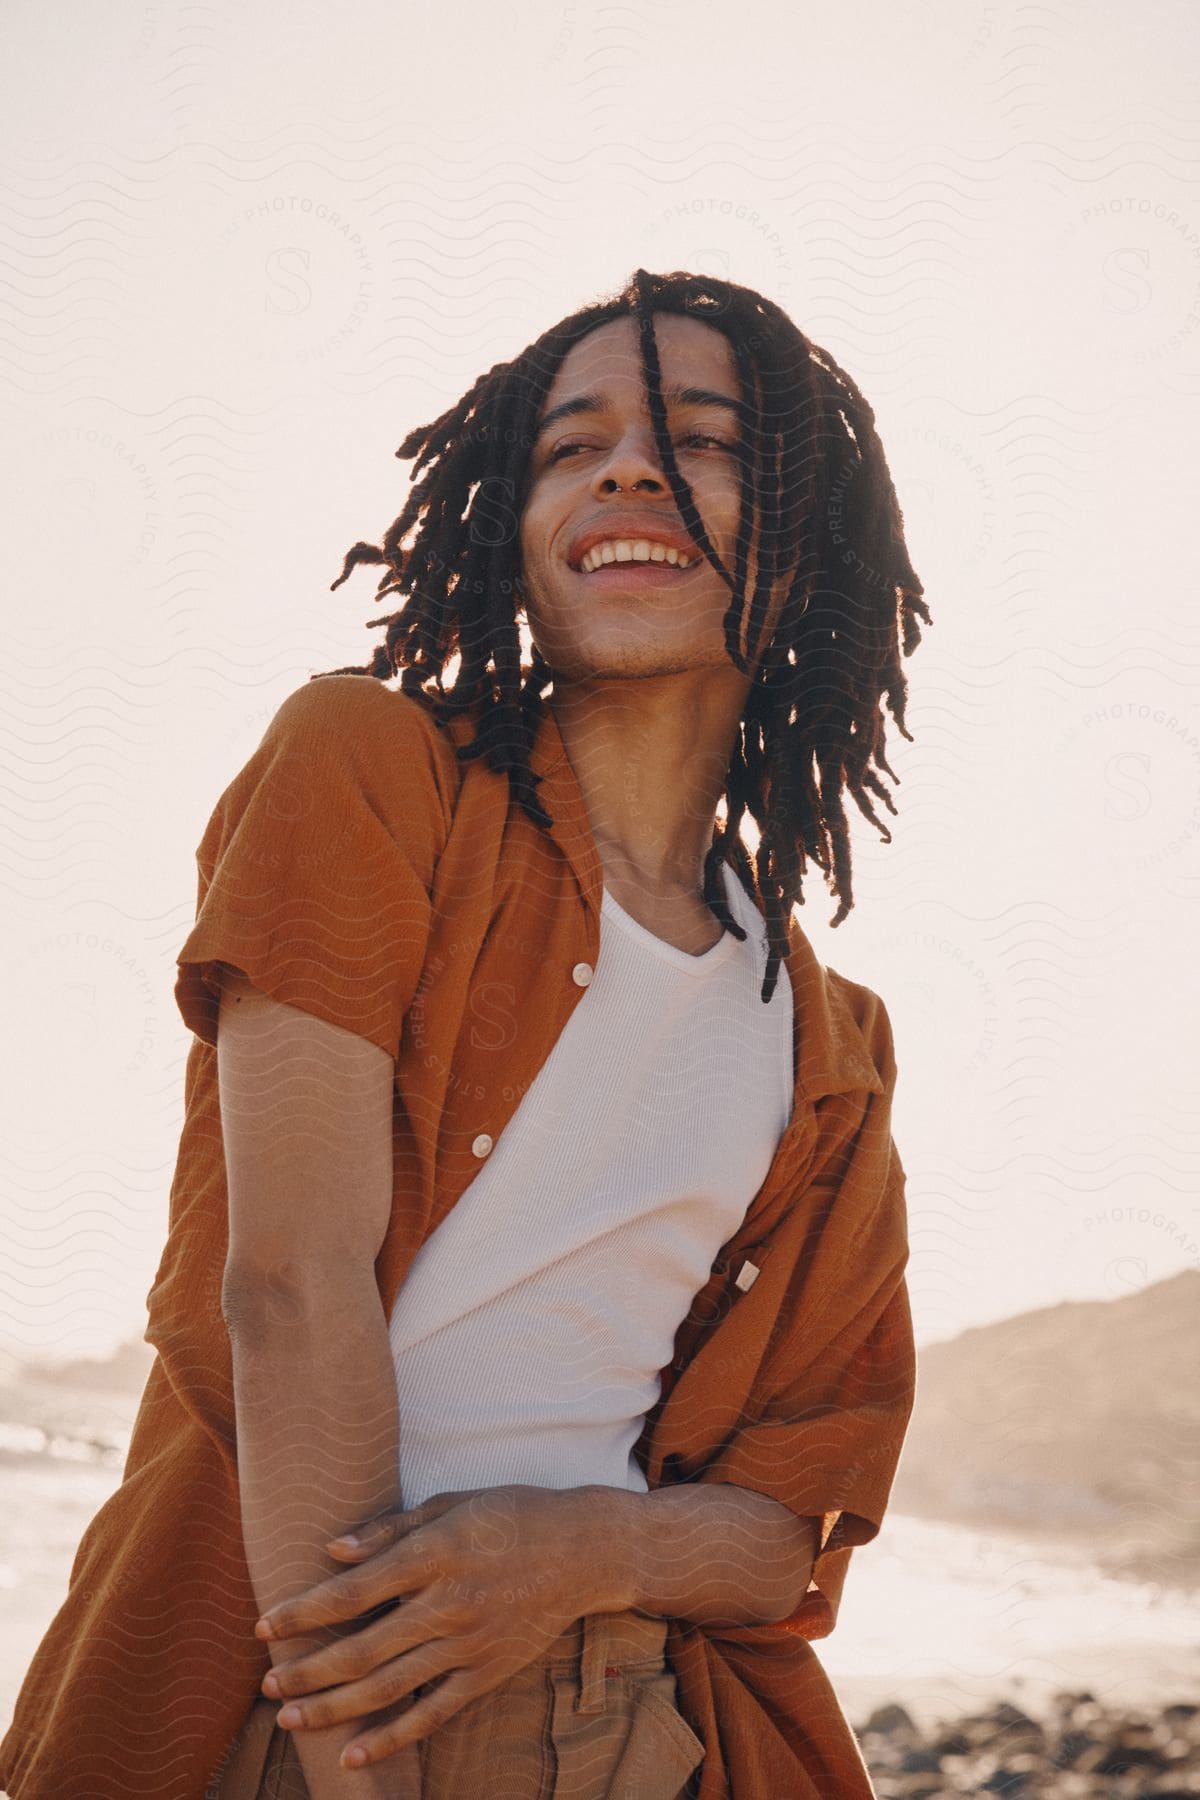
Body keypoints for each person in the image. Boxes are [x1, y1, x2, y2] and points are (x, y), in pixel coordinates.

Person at [0, 268, 929, 1800]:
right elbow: (287, 1288)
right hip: (288, 1686)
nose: (626, 465)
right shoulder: (367, 770)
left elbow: (785, 1526)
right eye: (570, 447)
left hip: (632, 1717)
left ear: (807, 544)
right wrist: (359, 1764)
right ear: (510, 524)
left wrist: (577, 1550)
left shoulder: (830, 1044)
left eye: (698, 436)